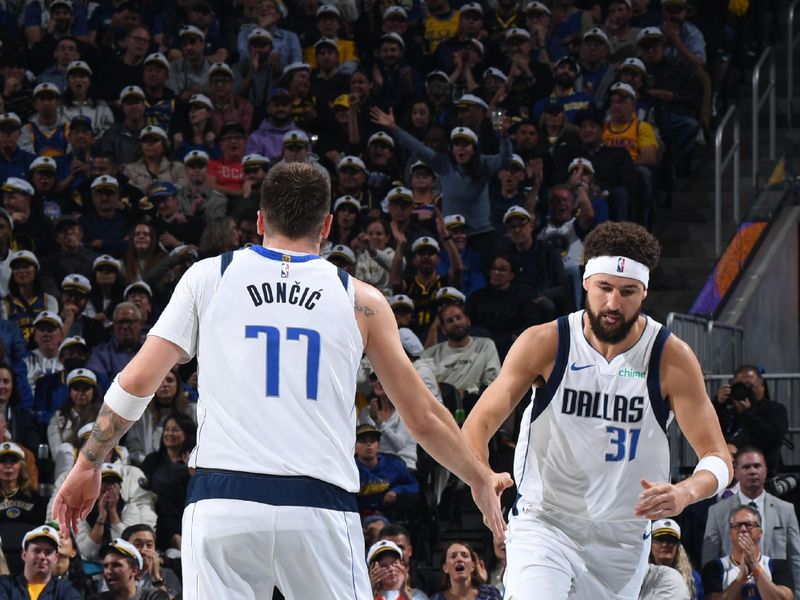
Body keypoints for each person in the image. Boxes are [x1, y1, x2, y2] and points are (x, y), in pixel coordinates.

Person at [52, 162, 511, 599]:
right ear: (327, 226)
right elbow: (423, 415)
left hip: (223, 501)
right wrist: (478, 476)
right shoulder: (362, 299)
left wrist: (89, 462)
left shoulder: (209, 277)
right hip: (320, 506)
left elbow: (136, 380)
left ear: (258, 220)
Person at [462, 220, 733, 599]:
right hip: (546, 522)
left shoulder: (671, 358)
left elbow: (719, 457)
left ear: (644, 293)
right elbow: (480, 423)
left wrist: (686, 492)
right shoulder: (546, 343)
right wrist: (480, 474)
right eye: (605, 288)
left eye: (627, 292)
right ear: (586, 282)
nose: (612, 303)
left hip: (622, 539)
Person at [701, 447, 800, 590]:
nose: (752, 471)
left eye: (757, 466)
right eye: (746, 467)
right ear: (736, 472)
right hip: (731, 590)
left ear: (766, 470)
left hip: (776, 591)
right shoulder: (717, 511)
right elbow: (709, 560)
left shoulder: (785, 510)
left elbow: (796, 557)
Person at [701, 505, 793, 600]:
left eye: (749, 525)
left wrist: (755, 567)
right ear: (730, 533)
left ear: (760, 533)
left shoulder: (778, 565)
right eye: (737, 526)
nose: (743, 530)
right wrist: (741, 578)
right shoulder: (714, 568)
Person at [713, 365, 788, 476]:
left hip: (763, 471)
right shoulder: (727, 408)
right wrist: (717, 404)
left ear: (762, 386)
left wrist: (747, 413)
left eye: (749, 386)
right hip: (727, 472)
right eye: (740, 386)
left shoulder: (774, 409)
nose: (746, 390)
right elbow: (707, 430)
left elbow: (772, 438)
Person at [0, 524, 82, 599]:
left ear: (55, 558)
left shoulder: (66, 590)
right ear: (24, 554)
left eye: (48, 552)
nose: (42, 557)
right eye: (37, 551)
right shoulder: (5, 585)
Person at [95, 538, 169, 600]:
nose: (109, 571)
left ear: (134, 570)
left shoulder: (154, 597)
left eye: (116, 565)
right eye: (106, 566)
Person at [649, 519, 703, 599]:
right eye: (659, 539)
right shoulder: (640, 574)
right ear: (650, 544)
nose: (664, 544)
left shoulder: (693, 578)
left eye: (670, 540)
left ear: (678, 546)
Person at [430, 541, 502, 600]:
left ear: (472, 566)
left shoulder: (490, 593)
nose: (459, 559)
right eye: (453, 556)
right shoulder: (436, 598)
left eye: (465, 556)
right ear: (445, 568)